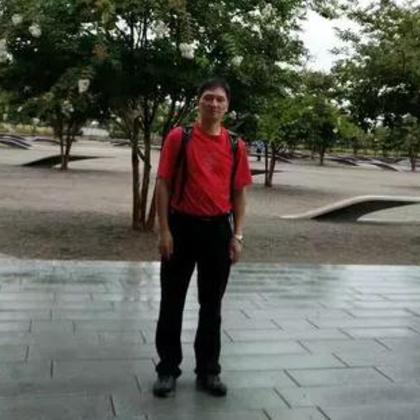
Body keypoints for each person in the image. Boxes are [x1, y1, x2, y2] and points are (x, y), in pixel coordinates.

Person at [153, 78, 252, 398]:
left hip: (218, 231)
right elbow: (163, 184)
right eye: (208, 98)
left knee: (212, 305)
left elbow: (239, 193)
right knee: (171, 301)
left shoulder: (236, 145)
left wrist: (238, 235)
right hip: (181, 227)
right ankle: (167, 369)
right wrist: (164, 230)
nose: (213, 104)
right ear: (199, 102)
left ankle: (209, 370)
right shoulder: (179, 137)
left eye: (220, 100)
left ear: (227, 106)